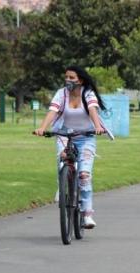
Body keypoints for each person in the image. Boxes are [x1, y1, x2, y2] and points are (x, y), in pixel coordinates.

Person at [34, 65, 106, 229]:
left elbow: (93, 110)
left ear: (80, 80)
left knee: (84, 175)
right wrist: (43, 127)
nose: (68, 80)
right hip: (64, 135)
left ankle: (87, 214)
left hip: (86, 137)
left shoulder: (87, 93)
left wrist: (97, 126)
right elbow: (52, 111)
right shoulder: (62, 94)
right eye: (66, 77)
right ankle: (63, 186)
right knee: (63, 161)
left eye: (72, 78)